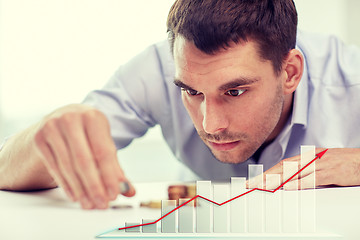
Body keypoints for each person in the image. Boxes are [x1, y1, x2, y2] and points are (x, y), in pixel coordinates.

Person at [0, 0, 359, 210]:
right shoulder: (159, 69)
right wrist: (43, 139)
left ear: (291, 72)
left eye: (235, 92)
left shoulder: (351, 79)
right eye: (191, 92)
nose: (211, 124)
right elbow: (4, 167)